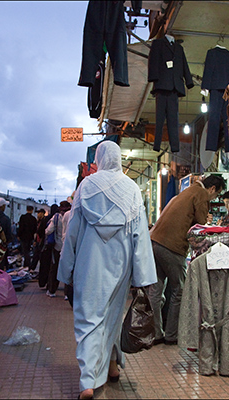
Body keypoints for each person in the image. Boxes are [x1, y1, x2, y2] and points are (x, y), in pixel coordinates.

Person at [58, 141, 157, 400]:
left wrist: (66, 269)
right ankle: (112, 367)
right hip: (120, 263)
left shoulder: (87, 186)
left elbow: (73, 233)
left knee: (88, 318)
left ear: (100, 159)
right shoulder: (132, 188)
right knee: (112, 315)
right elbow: (140, 234)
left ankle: (88, 382)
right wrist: (143, 275)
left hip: (89, 263)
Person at [146, 174, 225, 346]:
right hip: (171, 246)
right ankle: (172, 335)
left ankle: (156, 333)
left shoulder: (187, 191)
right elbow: (201, 224)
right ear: (212, 189)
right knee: (178, 289)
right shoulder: (201, 194)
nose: (214, 198)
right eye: (216, 195)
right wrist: (208, 220)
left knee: (156, 291)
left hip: (154, 242)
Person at [44, 200, 71, 297]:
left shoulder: (56, 217)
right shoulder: (72, 215)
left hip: (58, 246)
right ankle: (67, 293)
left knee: (54, 269)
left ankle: (52, 290)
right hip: (69, 247)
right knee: (68, 269)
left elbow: (48, 231)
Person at [38, 204, 59, 288]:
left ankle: (43, 282)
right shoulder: (59, 218)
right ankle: (52, 285)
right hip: (56, 245)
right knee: (54, 266)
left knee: (44, 264)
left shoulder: (46, 219)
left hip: (46, 245)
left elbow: (40, 231)